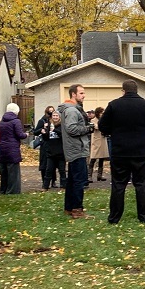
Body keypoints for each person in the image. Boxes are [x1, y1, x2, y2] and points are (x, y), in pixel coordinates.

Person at [98, 80, 145, 224]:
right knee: (141, 184)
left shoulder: (114, 105)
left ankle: (114, 217)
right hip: (141, 152)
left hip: (120, 151)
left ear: (123, 90)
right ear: (136, 90)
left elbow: (102, 126)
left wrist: (114, 132)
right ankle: (144, 216)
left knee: (118, 184)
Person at [57, 83, 93, 219]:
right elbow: (72, 129)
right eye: (81, 93)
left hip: (74, 148)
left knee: (72, 180)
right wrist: (88, 128)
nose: (84, 95)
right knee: (79, 180)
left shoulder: (71, 109)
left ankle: (69, 208)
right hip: (76, 149)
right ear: (73, 94)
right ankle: (77, 210)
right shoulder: (72, 111)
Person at [0, 103, 27, 194]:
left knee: (4, 171)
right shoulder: (16, 121)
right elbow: (20, 134)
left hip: (3, 148)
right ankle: (12, 191)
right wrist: (26, 134)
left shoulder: (2, 122)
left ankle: (4, 189)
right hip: (12, 148)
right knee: (13, 171)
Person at [39, 110, 67, 190]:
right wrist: (44, 132)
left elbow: (63, 136)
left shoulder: (62, 125)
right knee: (48, 170)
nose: (55, 117)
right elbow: (46, 138)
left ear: (59, 117)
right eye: (54, 116)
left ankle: (63, 186)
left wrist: (54, 130)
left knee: (62, 170)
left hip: (60, 152)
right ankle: (45, 187)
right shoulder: (49, 125)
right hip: (51, 152)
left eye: (56, 116)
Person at [34, 105, 55, 186]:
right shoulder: (42, 121)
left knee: (53, 163)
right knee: (44, 164)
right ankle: (45, 181)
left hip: (54, 143)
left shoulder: (55, 120)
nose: (51, 113)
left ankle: (53, 181)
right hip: (45, 144)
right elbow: (36, 131)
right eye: (50, 111)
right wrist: (42, 129)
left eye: (53, 111)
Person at [88, 107, 109, 182]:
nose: (102, 114)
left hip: (103, 140)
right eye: (101, 113)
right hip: (96, 141)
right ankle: (89, 176)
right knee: (93, 158)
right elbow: (96, 127)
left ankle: (99, 175)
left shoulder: (104, 120)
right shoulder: (93, 120)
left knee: (101, 158)